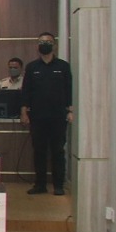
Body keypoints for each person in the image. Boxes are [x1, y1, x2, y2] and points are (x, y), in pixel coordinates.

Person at [20, 33, 73, 195]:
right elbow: (26, 91)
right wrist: (24, 112)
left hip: (58, 116)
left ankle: (58, 185)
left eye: (48, 42)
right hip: (37, 116)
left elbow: (69, 89)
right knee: (39, 151)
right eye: (42, 42)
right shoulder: (32, 67)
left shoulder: (63, 66)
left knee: (58, 151)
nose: (45, 44)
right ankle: (40, 185)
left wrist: (70, 110)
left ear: (54, 45)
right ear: (37, 46)